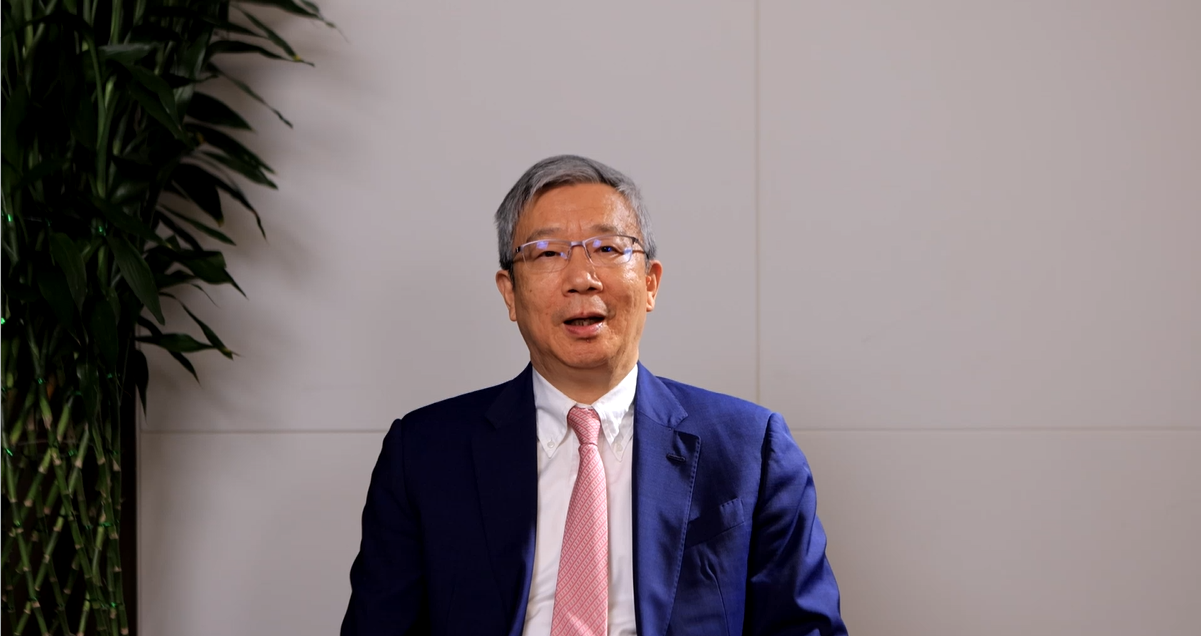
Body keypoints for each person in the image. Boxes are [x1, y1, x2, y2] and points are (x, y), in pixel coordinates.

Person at [341, 155, 847, 636]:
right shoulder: (424, 454)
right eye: (547, 253)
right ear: (509, 293)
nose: (581, 279)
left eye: (607, 249)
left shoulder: (750, 448)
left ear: (650, 283)